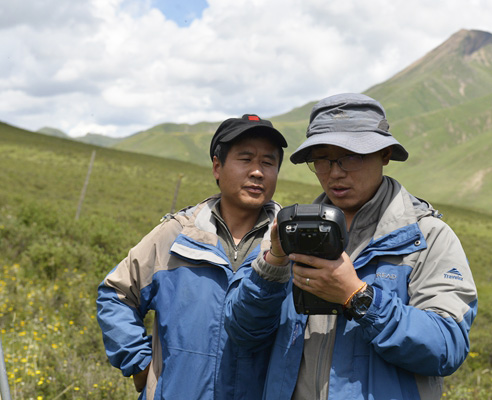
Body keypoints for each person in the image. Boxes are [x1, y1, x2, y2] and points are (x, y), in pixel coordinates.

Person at [224, 93, 478, 399]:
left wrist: (358, 298)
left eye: (351, 156)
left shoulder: (427, 238)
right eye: (322, 159)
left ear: (385, 154)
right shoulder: (288, 232)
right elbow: (244, 333)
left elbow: (446, 347)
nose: (335, 172)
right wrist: (272, 265)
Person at [96, 114, 287, 399]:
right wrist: (139, 362)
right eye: (245, 159)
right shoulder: (176, 235)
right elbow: (116, 293)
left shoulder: (289, 244)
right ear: (217, 167)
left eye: (268, 162)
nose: (257, 172)